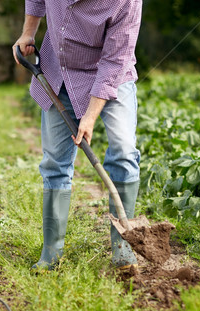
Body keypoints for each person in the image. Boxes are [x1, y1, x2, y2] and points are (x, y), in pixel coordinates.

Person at [13, 0, 142, 271]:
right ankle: (51, 253)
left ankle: (123, 249)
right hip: (58, 71)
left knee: (124, 151)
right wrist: (28, 32)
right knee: (55, 162)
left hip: (111, 75)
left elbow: (114, 60)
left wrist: (91, 115)